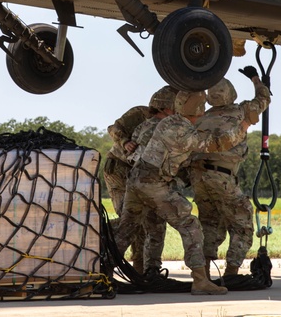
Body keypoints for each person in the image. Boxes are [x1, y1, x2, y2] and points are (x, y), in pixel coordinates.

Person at [112, 90, 260, 296]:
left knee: (126, 229)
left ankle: (103, 274)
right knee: (190, 226)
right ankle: (200, 281)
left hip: (136, 180)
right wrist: (244, 125)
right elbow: (215, 144)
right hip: (153, 183)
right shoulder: (181, 131)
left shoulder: (169, 122)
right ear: (197, 109)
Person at [189, 66, 271, 280]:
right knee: (242, 222)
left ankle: (203, 274)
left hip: (198, 177)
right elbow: (264, 99)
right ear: (231, 93)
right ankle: (232, 273)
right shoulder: (241, 111)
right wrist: (256, 79)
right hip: (222, 176)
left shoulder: (200, 117)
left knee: (208, 223)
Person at [103, 86, 176, 274]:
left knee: (144, 221)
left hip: (142, 173)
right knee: (129, 218)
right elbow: (113, 128)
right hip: (119, 168)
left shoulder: (172, 124)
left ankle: (141, 269)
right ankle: (101, 233)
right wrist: (125, 141)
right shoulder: (140, 113)